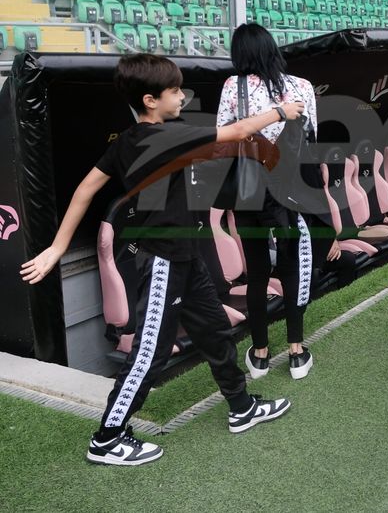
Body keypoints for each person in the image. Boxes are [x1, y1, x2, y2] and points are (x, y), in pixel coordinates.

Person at [20, 54, 299, 466]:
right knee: (150, 354)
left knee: (216, 332)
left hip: (188, 258)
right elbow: (239, 130)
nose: (181, 97)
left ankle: (241, 406)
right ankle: (108, 438)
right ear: (150, 100)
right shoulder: (162, 138)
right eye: (174, 92)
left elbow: (84, 190)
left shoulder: (136, 139)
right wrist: (280, 110)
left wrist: (59, 247)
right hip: (165, 261)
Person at [217, 23, 320, 381]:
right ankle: (296, 350)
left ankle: (260, 353)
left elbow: (225, 140)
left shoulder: (234, 86)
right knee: (291, 267)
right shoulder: (303, 86)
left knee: (258, 271)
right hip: (289, 190)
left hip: (249, 190)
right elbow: (310, 139)